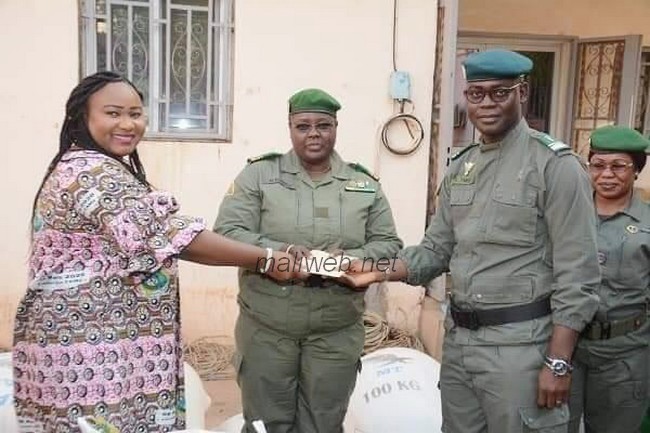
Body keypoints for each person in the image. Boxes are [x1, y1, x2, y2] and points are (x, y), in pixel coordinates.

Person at [12, 71, 301, 433]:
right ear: (81, 118)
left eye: (135, 113)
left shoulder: (92, 166)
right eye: (113, 113)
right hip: (87, 352)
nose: (128, 123)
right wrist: (268, 259)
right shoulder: (91, 172)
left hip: (100, 345)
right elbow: (172, 236)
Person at [346, 49, 601, 432]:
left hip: (521, 349)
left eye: (500, 93)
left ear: (523, 93)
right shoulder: (462, 166)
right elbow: (435, 251)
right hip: (461, 344)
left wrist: (558, 361)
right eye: (476, 93)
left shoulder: (555, 166)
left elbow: (578, 274)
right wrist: (372, 270)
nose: (486, 104)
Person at [213, 88, 403, 433]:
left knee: (323, 424)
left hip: (335, 332)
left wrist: (351, 259)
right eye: (303, 126)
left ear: (335, 127)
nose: (313, 134)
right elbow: (227, 232)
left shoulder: (363, 184)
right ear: (289, 127)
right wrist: (277, 252)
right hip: (268, 331)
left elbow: (389, 243)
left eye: (323, 125)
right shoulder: (259, 176)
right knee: (266, 425)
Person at [567, 125, 650, 433]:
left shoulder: (647, 223)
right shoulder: (568, 214)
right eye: (598, 165)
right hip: (567, 348)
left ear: (636, 170)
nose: (607, 174)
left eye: (619, 166)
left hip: (624, 354)